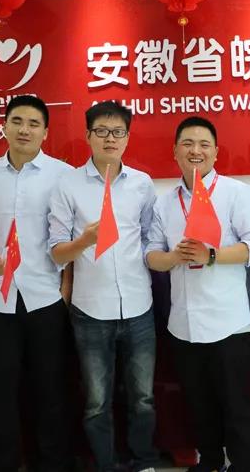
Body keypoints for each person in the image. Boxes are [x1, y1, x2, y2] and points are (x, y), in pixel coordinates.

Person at [146, 116, 250, 472]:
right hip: (184, 323)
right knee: (199, 403)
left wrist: (211, 255)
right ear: (175, 152)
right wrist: (174, 257)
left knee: (235, 404)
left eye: (203, 145)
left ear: (215, 152)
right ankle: (210, 462)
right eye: (187, 144)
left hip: (228, 321)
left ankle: (242, 465)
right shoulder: (164, 203)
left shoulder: (235, 193)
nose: (195, 151)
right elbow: (151, 254)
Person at [49, 101, 159, 472]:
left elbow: (150, 239)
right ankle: (106, 464)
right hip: (91, 310)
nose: (110, 138)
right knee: (97, 401)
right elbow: (56, 252)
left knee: (143, 397)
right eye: (101, 131)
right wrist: (84, 240)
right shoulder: (67, 185)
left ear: (127, 137)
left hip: (139, 305)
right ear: (88, 135)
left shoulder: (142, 184)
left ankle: (143, 461)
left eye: (117, 132)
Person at [0, 95, 74, 472]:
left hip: (46, 298)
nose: (24, 129)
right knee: (0, 394)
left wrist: (65, 294)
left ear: (45, 132)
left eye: (33, 123)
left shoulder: (63, 175)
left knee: (50, 392)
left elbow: (70, 239)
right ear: (4, 127)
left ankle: (52, 465)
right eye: (17, 121)